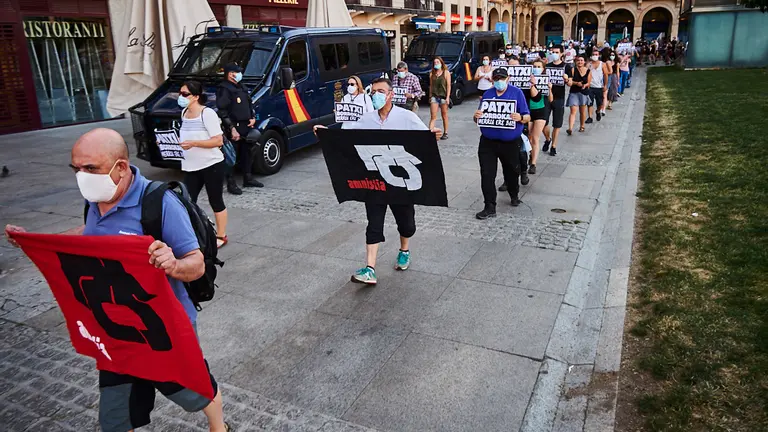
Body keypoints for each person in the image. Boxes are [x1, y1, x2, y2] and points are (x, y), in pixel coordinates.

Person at [5, 128, 229, 432]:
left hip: (162, 329)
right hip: (116, 331)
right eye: (77, 169)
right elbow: (88, 236)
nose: (82, 177)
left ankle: (219, 427)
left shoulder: (159, 204)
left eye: (90, 169)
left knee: (194, 388)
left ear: (120, 167)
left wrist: (173, 264)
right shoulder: (97, 199)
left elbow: (196, 264)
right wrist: (36, 241)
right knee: (115, 414)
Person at [339, 77, 441, 284]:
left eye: (380, 91)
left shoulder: (406, 117)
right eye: (373, 91)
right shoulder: (366, 119)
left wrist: (433, 136)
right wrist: (323, 134)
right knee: (374, 223)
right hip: (375, 182)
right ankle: (369, 268)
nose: (375, 94)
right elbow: (344, 138)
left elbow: (424, 139)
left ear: (390, 95)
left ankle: (404, 249)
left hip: (401, 183)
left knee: (407, 224)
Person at [474, 67, 531, 220]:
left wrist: (520, 117)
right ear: (492, 79)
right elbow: (479, 117)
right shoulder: (488, 94)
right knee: (487, 174)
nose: (499, 81)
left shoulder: (517, 93)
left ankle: (514, 193)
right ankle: (489, 206)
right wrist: (476, 116)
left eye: (502, 78)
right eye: (497, 78)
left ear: (508, 78)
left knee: (512, 171)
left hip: (510, 142)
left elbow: (527, 117)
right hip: (488, 142)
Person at [178, 81, 229, 249]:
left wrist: (194, 143)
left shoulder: (207, 114)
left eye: (185, 94)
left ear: (196, 97)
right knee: (186, 201)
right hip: (191, 166)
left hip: (211, 164)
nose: (181, 97)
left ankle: (221, 235)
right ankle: (193, 231)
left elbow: (218, 140)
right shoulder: (184, 113)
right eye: (180, 93)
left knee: (216, 200)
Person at [217, 63, 262, 194]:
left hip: (246, 126)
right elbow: (222, 110)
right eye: (237, 72)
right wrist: (231, 128)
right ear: (230, 74)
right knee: (232, 156)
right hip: (234, 127)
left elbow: (249, 103)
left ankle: (248, 178)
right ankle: (231, 184)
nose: (239, 74)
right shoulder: (224, 89)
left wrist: (253, 117)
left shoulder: (241, 86)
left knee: (247, 152)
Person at [542, 45, 572, 156]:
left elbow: (570, 83)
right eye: (552, 52)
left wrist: (566, 79)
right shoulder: (547, 66)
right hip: (546, 96)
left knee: (557, 123)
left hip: (559, 97)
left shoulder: (566, 67)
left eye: (556, 52)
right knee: (543, 122)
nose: (554, 54)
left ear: (561, 54)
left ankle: (553, 145)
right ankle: (547, 138)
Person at [527, 59, 552, 173]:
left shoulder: (546, 80)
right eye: (534, 66)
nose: (536, 68)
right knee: (529, 138)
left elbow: (551, 99)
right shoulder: (527, 79)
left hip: (541, 110)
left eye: (539, 66)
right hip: (529, 110)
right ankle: (530, 155)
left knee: (535, 138)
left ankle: (533, 163)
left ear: (543, 69)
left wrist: (550, 88)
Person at [566, 55, 591, 135]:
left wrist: (585, 85)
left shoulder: (588, 71)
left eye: (581, 60)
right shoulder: (573, 70)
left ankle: (582, 125)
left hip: (583, 92)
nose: (580, 62)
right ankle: (570, 128)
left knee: (582, 111)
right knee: (573, 110)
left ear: (584, 62)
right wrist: (576, 83)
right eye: (578, 60)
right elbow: (569, 81)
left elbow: (589, 82)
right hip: (574, 92)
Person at [429, 56, 451, 140]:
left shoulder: (446, 73)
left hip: (443, 96)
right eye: (435, 62)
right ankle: (430, 132)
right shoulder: (432, 73)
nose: (436, 64)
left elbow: (448, 85)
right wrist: (430, 96)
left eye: (437, 62)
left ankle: (445, 132)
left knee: (444, 115)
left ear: (441, 63)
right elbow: (431, 86)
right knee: (433, 116)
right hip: (435, 96)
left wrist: (448, 97)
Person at [586, 49, 608, 124]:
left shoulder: (603, 64)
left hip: (599, 86)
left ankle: (598, 111)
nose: (595, 56)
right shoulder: (589, 64)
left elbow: (605, 75)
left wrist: (605, 85)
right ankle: (590, 117)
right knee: (590, 102)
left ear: (599, 55)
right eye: (593, 54)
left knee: (599, 103)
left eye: (596, 54)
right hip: (590, 86)